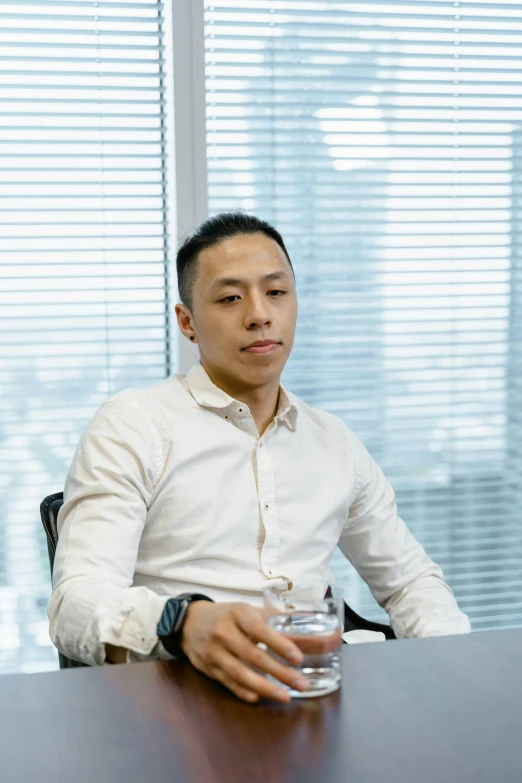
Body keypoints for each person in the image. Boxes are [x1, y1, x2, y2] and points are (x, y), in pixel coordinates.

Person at [49, 212, 470, 703]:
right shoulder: (134, 424)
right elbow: (76, 604)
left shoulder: (334, 441)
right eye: (230, 298)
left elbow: (410, 581)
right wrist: (180, 622)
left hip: (319, 694)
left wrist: (453, 668)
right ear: (187, 322)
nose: (259, 314)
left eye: (276, 292)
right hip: (182, 703)